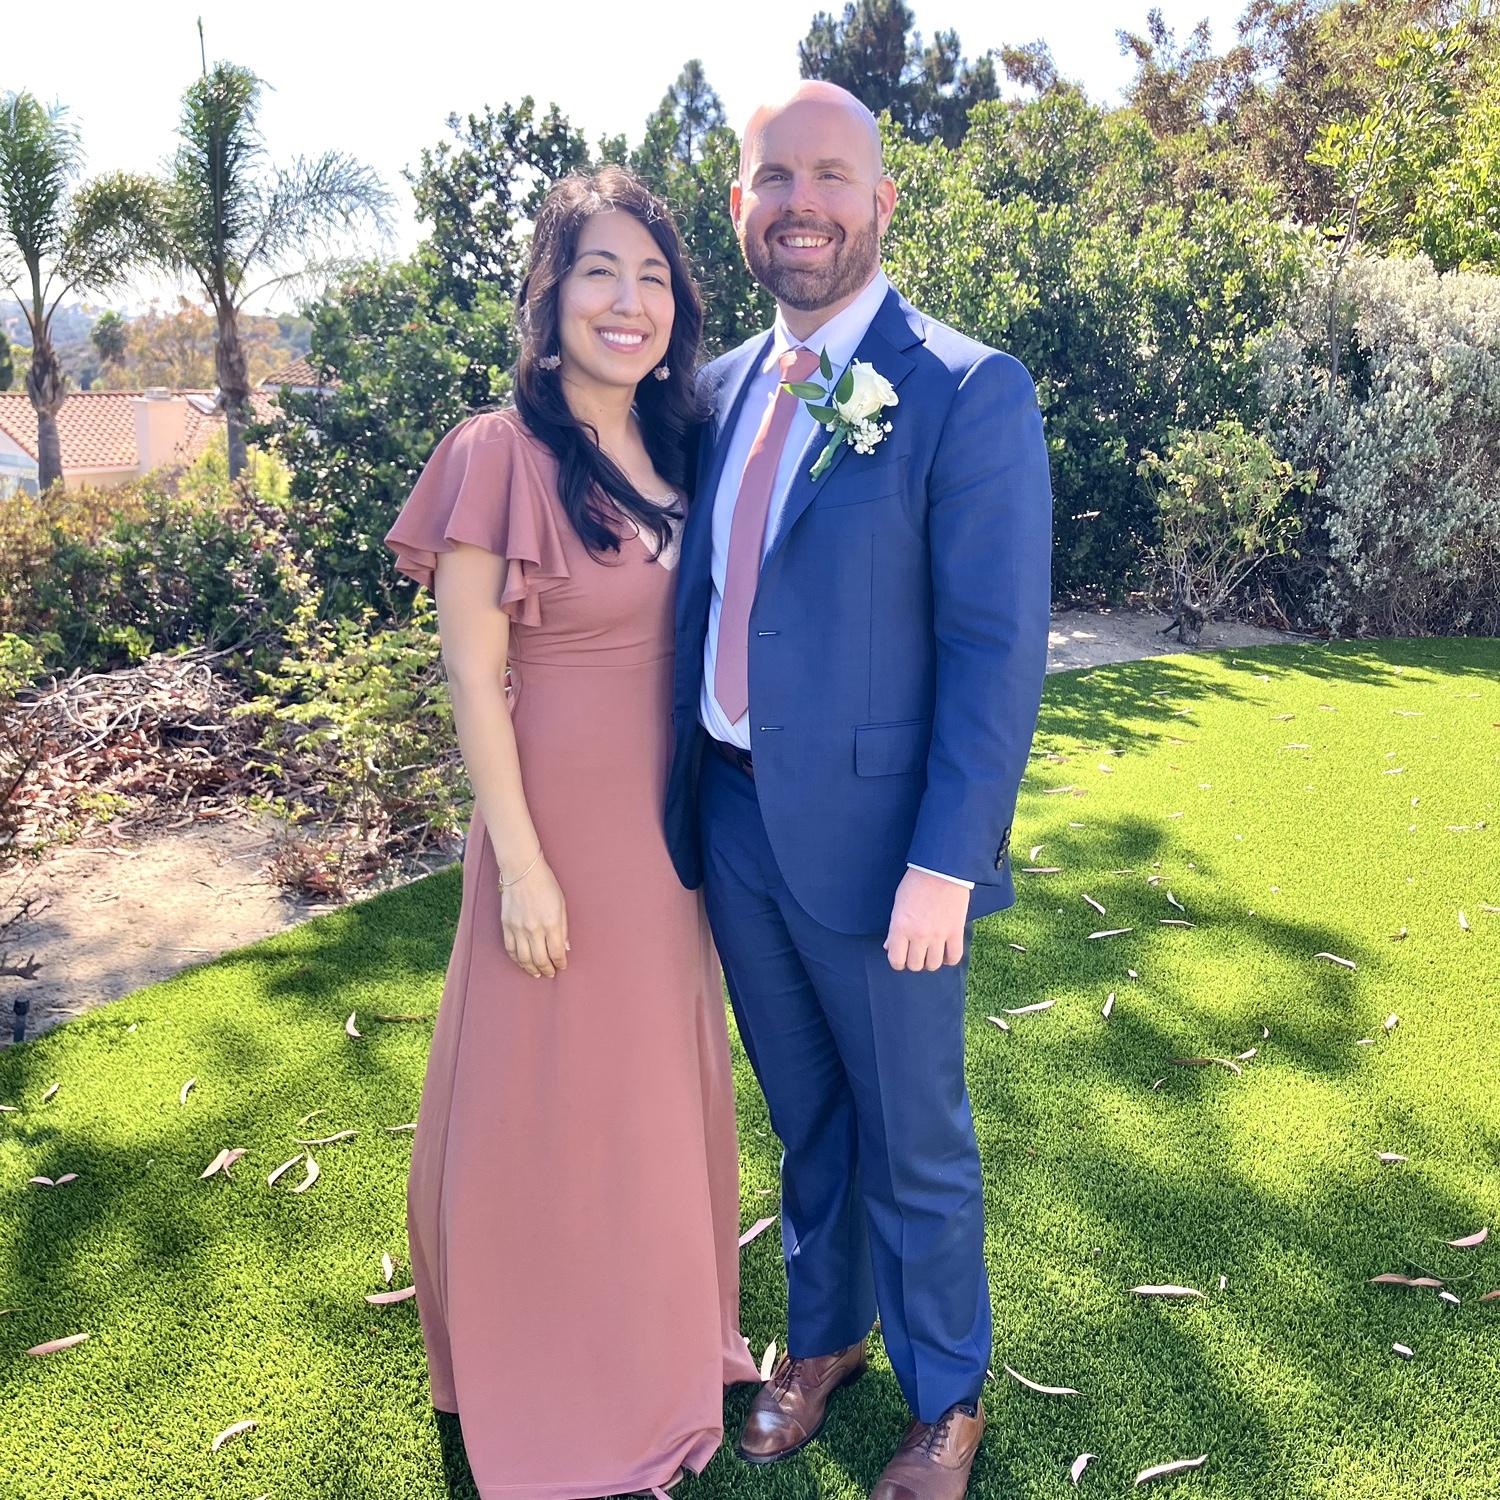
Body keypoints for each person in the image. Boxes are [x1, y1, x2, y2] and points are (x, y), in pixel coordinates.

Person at [664, 82, 1054, 1500]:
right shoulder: (711, 393)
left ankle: (948, 1397)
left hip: (889, 850)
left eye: (832, 175)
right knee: (807, 1117)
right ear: (740, 205)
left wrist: (948, 860)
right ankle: (824, 1337)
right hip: (730, 820)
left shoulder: (964, 387)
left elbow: (995, 651)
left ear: (882, 201)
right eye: (776, 176)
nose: (803, 202)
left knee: (915, 1137)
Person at [383, 165, 760, 1500]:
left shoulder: (681, 447)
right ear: (552, 297)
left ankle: (660, 1344)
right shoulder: (496, 453)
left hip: (666, 841)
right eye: (601, 269)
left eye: (654, 277)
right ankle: (559, 1383)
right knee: (548, 1103)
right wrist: (524, 868)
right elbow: (472, 674)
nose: (628, 300)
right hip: (554, 838)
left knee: (646, 1097)